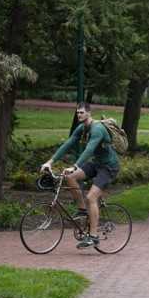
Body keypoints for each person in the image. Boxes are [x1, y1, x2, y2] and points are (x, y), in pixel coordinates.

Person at [40, 102, 119, 249]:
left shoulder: (97, 129)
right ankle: (83, 210)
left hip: (109, 167)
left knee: (91, 197)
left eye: (81, 112)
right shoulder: (82, 128)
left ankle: (94, 237)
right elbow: (68, 144)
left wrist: (75, 166)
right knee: (70, 177)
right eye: (77, 113)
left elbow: (89, 150)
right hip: (96, 163)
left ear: (89, 113)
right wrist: (49, 162)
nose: (79, 115)